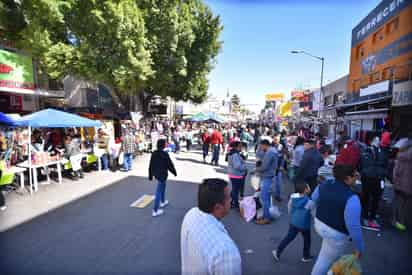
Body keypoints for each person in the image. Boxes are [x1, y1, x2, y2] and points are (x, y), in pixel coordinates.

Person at [181, 178, 242, 275]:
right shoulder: (226, 253)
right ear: (218, 207)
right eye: (229, 197)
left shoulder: (191, 214)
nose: (231, 200)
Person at [311, 165, 364, 275]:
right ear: (348, 179)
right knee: (326, 260)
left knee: (329, 252)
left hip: (319, 224)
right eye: (355, 176)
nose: (357, 178)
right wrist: (359, 247)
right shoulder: (352, 199)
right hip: (335, 233)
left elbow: (314, 198)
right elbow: (353, 226)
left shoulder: (325, 183)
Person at [273, 183, 313, 263]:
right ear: (305, 190)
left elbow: (289, 207)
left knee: (289, 237)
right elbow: (312, 212)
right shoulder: (309, 201)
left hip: (294, 221)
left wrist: (292, 215)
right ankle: (306, 256)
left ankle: (278, 251)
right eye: (308, 187)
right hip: (304, 224)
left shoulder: (293, 198)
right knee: (307, 240)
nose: (309, 188)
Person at [359, 135, 389, 230]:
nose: (377, 141)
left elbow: (385, 164)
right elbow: (360, 164)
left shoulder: (382, 151)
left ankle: (371, 216)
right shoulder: (366, 151)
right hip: (369, 178)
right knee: (367, 198)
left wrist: (383, 173)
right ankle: (366, 217)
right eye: (376, 139)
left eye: (378, 139)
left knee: (374, 198)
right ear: (371, 141)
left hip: (376, 178)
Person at [149, 139, 177, 217]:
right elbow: (170, 165)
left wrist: (151, 175)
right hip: (163, 174)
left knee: (163, 187)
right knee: (159, 190)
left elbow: (151, 165)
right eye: (165, 143)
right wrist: (174, 172)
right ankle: (155, 210)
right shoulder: (165, 154)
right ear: (163, 145)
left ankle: (163, 201)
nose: (166, 144)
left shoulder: (154, 153)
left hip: (157, 174)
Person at [255, 139, 278, 225]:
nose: (260, 148)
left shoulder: (270, 152)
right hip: (269, 176)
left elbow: (264, 166)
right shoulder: (271, 151)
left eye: (261, 146)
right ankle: (266, 215)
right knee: (266, 198)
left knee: (264, 199)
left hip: (267, 177)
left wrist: (256, 170)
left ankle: (266, 217)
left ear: (264, 145)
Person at [392, 138, 412, 231]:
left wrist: (394, 180)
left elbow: (397, 171)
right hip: (409, 184)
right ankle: (403, 222)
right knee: (406, 204)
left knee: (398, 202)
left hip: (400, 183)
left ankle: (397, 221)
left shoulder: (400, 156)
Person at [227, 141, 248, 208]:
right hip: (236, 175)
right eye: (240, 146)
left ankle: (230, 201)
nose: (241, 148)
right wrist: (244, 167)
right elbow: (237, 166)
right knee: (235, 190)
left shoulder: (233, 153)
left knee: (234, 189)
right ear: (236, 147)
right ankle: (235, 203)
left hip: (233, 174)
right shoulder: (235, 154)